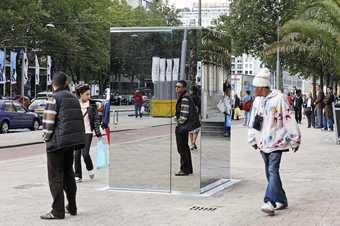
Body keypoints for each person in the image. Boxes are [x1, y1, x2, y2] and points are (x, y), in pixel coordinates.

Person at [248, 68, 301, 216]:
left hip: (277, 141)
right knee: (269, 172)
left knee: (272, 170)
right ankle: (282, 199)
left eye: (255, 87)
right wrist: (252, 139)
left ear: (261, 87)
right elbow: (254, 121)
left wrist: (295, 139)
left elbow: (289, 118)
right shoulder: (258, 101)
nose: (253, 90)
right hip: (262, 143)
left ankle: (269, 201)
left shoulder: (280, 99)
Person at [41, 72, 85, 220]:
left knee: (55, 177)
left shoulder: (54, 98)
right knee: (68, 174)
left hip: (56, 143)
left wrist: (46, 139)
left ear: (54, 84)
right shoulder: (73, 98)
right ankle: (72, 206)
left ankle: (57, 211)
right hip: (70, 143)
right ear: (66, 83)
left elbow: (48, 123)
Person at [74, 85, 102, 183]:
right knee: (76, 155)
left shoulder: (92, 105)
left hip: (88, 132)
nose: (89, 96)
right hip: (77, 133)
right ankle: (77, 175)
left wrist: (98, 133)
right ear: (81, 94)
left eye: (89, 94)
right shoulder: (75, 105)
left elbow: (96, 120)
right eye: (87, 94)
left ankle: (90, 169)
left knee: (85, 154)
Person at [175, 80, 197, 176]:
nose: (177, 88)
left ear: (184, 88)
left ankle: (184, 169)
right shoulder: (185, 96)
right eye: (176, 86)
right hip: (184, 126)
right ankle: (188, 169)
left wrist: (178, 122)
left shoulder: (184, 98)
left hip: (182, 127)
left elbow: (184, 114)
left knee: (182, 148)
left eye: (179, 87)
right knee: (185, 148)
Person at [189, 85, 201, 151]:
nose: (189, 91)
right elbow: (199, 107)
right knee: (196, 130)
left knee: (190, 130)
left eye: (190, 90)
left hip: (190, 115)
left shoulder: (190, 97)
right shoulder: (198, 98)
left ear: (192, 91)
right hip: (196, 115)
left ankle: (192, 144)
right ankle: (193, 143)